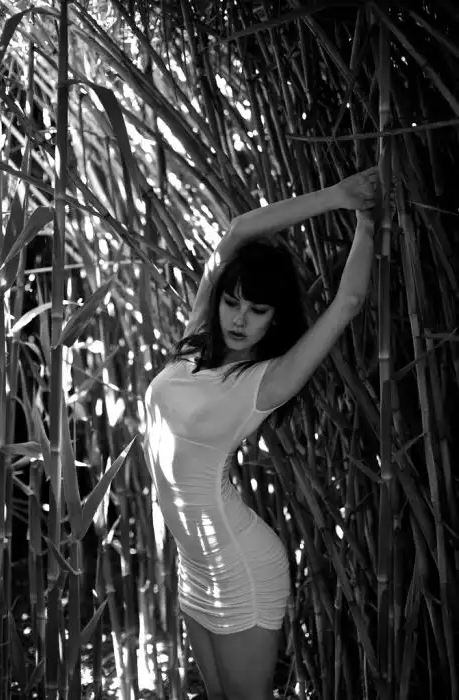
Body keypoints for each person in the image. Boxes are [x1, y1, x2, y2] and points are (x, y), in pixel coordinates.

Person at [143, 167, 379, 700]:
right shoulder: (196, 338)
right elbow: (239, 230)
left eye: (257, 311)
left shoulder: (266, 381)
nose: (239, 319)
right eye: (232, 302)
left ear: (274, 319)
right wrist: (337, 195)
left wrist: (367, 220)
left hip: (241, 566)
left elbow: (347, 302)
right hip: (194, 562)